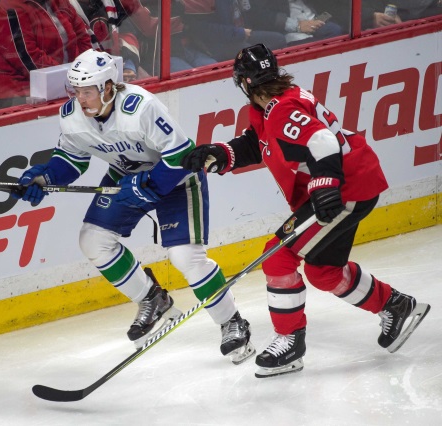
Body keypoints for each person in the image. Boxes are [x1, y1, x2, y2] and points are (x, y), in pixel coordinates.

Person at [181, 44, 431, 378]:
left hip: (345, 190)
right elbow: (261, 144)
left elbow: (323, 142)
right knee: (323, 272)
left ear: (243, 82)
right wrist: (221, 153)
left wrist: (326, 184)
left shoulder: (282, 109)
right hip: (352, 184)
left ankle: (289, 343)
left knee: (277, 255)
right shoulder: (272, 107)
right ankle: (396, 305)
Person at [12, 49, 256, 363]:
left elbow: (182, 155)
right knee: (92, 240)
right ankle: (152, 299)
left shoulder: (141, 107)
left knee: (186, 258)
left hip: (176, 179)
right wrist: (44, 176)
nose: (79, 99)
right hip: (127, 179)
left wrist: (149, 186)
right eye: (75, 91)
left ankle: (231, 322)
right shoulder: (72, 116)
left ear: (108, 88)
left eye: (87, 92)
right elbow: (71, 160)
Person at [0, 0, 93, 110]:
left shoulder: (60, 2)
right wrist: (70, 79)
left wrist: (83, 73)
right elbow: (28, 59)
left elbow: (82, 36)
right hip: (11, 91)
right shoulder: (11, 6)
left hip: (60, 84)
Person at [183, 0, 287, 63]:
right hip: (220, 42)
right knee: (251, 53)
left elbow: (251, 12)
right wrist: (238, 33)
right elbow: (201, 29)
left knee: (279, 39)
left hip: (242, 34)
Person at [244, 0, 344, 46]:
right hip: (288, 29)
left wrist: (321, 17)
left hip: (313, 18)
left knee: (335, 30)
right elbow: (259, 16)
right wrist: (297, 25)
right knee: (309, 44)